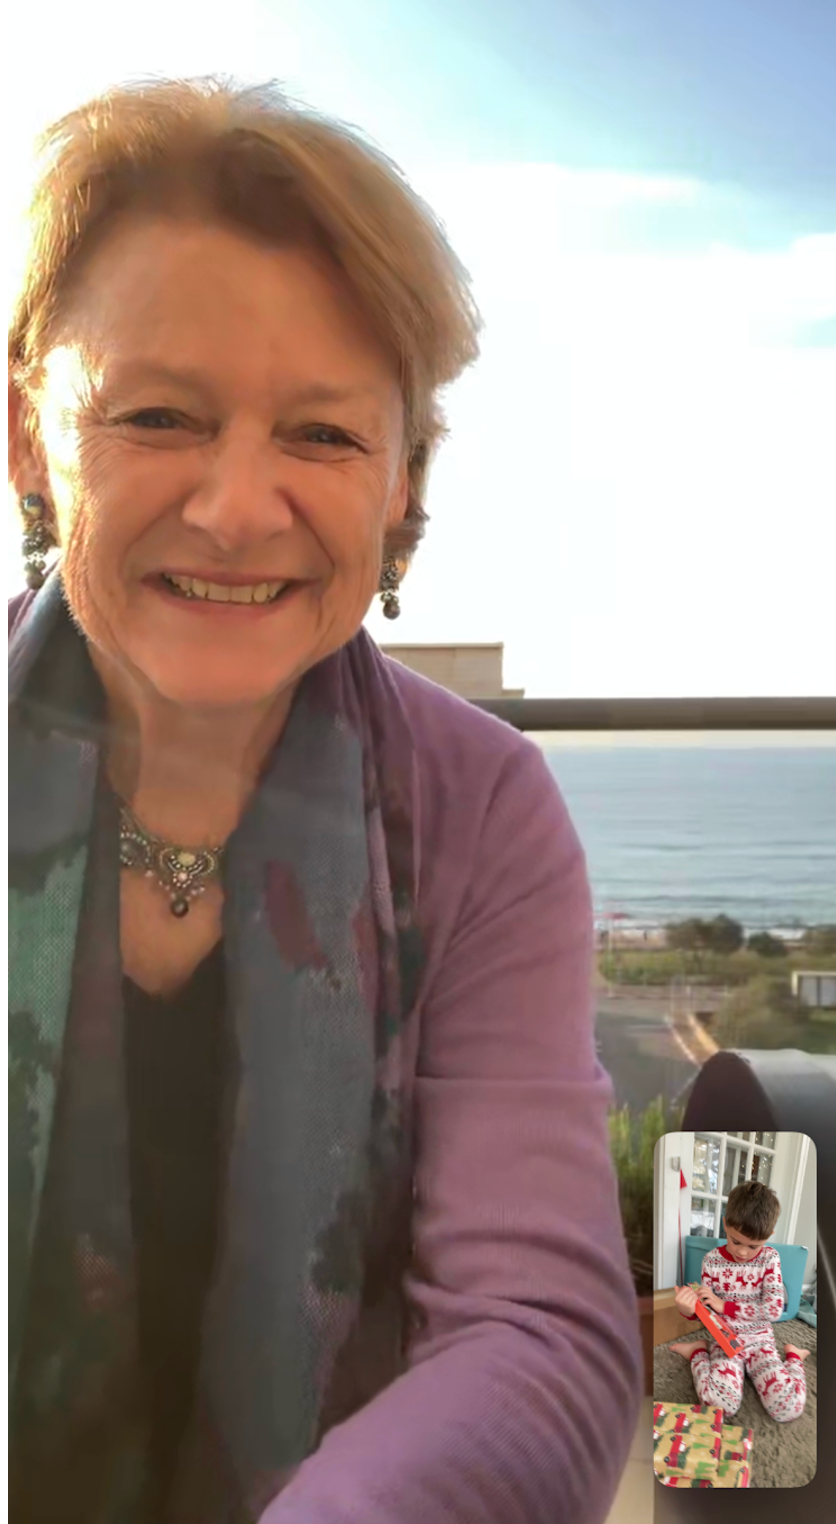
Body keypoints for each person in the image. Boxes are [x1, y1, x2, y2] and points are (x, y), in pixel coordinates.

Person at [8, 76, 643, 1523]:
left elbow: (536, 1330)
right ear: (28, 435)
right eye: (159, 414)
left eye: (323, 436)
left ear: (405, 484)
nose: (239, 507)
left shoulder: (480, 814)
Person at [670, 1181, 809, 1422]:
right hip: (725, 1341)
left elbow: (774, 1309)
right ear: (725, 1223)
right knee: (719, 1407)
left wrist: (725, 1306)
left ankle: (794, 1355)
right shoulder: (711, 1261)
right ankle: (698, 1353)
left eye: (753, 1245)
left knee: (789, 1407)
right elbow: (706, 1308)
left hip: (760, 1342)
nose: (743, 1253)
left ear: (768, 1237)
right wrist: (688, 1310)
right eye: (735, 1241)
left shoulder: (770, 1258)